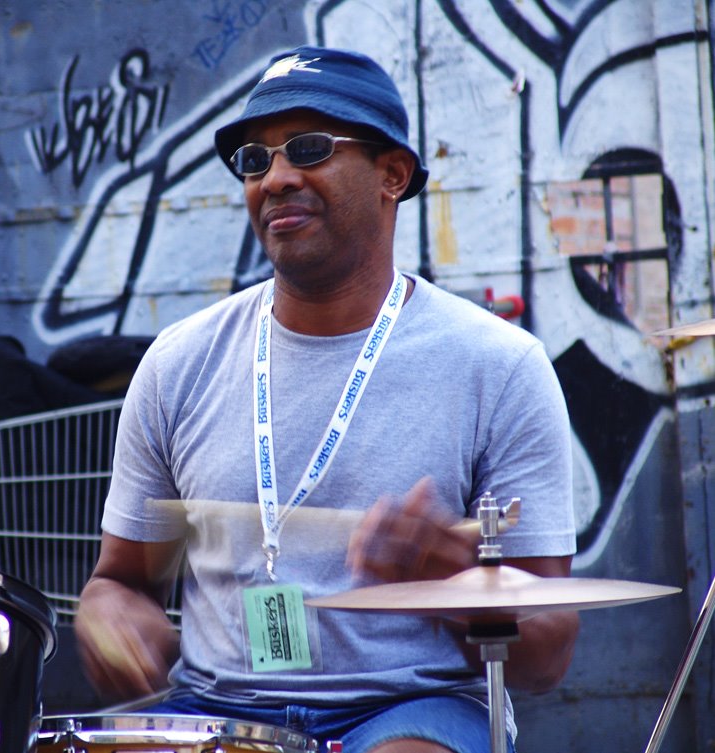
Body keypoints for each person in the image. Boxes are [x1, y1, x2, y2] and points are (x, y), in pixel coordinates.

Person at [75, 45, 579, 753]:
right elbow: (121, 580)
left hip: (412, 706)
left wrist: (459, 581)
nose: (276, 177)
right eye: (256, 159)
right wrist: (111, 619)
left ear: (392, 174)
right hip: (218, 708)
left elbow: (550, 653)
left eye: (308, 149)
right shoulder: (178, 364)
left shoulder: (498, 367)